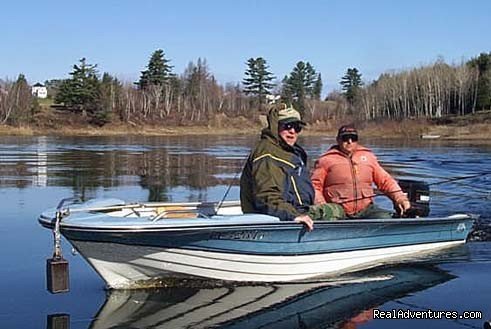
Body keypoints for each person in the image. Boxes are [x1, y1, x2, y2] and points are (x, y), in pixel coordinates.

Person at [240, 104, 317, 230]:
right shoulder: (267, 152)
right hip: (279, 217)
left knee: (338, 209)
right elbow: (266, 195)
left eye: (297, 128)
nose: (292, 131)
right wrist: (293, 216)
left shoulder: (290, 152)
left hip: (298, 210)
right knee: (337, 211)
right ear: (276, 127)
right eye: (287, 126)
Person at [311, 124, 411, 219]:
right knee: (325, 215)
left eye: (353, 138)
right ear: (338, 140)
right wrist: (322, 205)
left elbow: (386, 181)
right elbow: (315, 187)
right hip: (338, 209)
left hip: (366, 209)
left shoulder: (369, 157)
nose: (349, 141)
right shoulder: (325, 160)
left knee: (385, 218)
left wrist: (400, 199)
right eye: (345, 138)